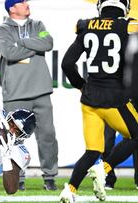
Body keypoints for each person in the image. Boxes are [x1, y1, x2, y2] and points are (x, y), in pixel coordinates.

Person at [59, 0, 138, 202]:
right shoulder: (128, 25)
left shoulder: (85, 26)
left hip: (89, 99)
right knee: (136, 135)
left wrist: (80, 85)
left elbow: (67, 63)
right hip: (114, 98)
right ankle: (104, 168)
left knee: (93, 150)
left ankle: (70, 189)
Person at [0, 0, 58, 191]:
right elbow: (9, 52)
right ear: (12, 8)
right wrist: (34, 46)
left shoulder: (38, 25)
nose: (26, 3)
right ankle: (18, 178)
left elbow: (48, 43)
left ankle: (49, 177)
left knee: (47, 136)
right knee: (15, 139)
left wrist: (21, 42)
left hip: (41, 90)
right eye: (22, 2)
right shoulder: (2, 29)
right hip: (15, 92)